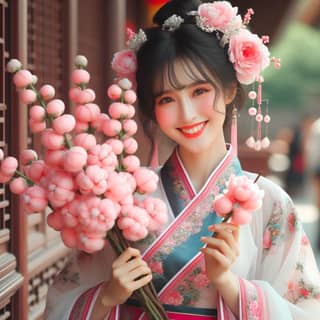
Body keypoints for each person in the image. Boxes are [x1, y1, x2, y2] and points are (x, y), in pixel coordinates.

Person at [44, 1, 320, 319]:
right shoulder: (124, 198)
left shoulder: (269, 205)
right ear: (152, 108)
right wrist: (107, 296)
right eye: (167, 99)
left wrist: (229, 284)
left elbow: (305, 309)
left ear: (230, 89)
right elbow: (62, 302)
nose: (187, 114)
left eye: (199, 91)